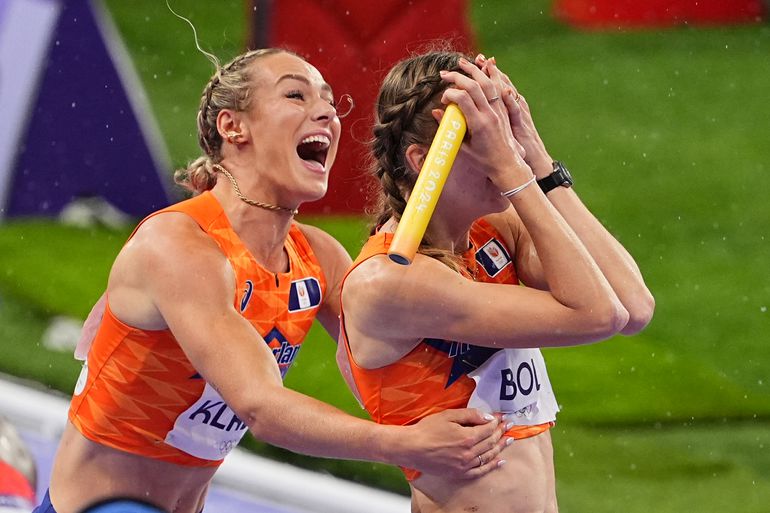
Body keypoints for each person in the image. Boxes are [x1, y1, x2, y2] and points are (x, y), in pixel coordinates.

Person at [34, 48, 509, 513]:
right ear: (233, 126)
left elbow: (404, 362)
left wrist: (514, 168)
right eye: (296, 96)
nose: (324, 110)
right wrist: (406, 446)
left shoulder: (317, 257)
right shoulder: (179, 246)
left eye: (328, 100)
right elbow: (260, 407)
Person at [338, 50, 655, 513]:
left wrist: (540, 161)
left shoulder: (495, 229)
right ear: (424, 160)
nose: (501, 147)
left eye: (502, 128)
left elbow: (633, 305)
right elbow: (598, 315)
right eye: (481, 136)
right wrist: (511, 169)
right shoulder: (390, 280)